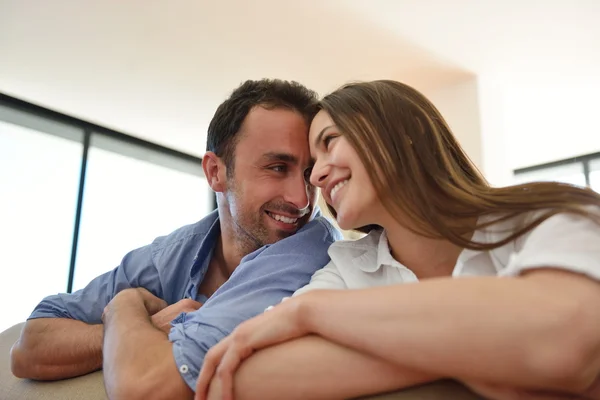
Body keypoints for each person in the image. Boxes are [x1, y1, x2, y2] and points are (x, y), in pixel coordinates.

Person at [195, 80, 600, 400]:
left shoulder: (547, 213)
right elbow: (248, 380)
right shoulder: (347, 266)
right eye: (312, 165)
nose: (315, 177)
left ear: (398, 133)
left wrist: (310, 313)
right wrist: (490, 353)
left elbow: (561, 340)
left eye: (330, 141)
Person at [10, 79, 342, 399]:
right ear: (215, 172)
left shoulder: (313, 251)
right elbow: (28, 347)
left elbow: (144, 388)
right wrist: (144, 327)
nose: (302, 200)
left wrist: (124, 308)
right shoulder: (171, 254)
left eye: (307, 173)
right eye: (277, 167)